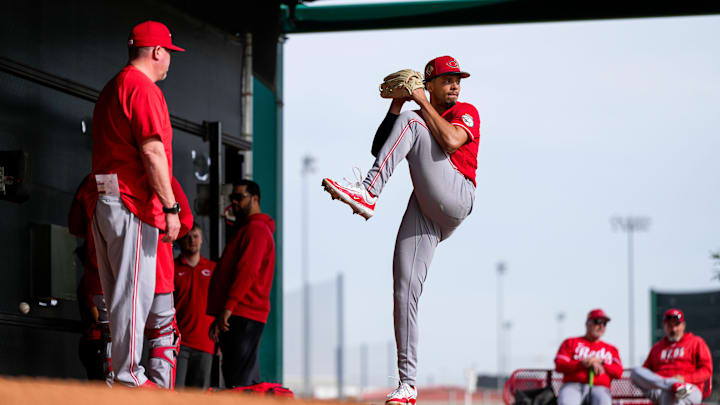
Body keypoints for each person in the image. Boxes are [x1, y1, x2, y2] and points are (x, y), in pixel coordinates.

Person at [322, 56, 480, 404]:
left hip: (456, 195)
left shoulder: (464, 109)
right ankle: (407, 385)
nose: (455, 85)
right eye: (447, 80)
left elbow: (453, 141)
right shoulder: (416, 113)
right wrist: (397, 104)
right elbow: (381, 148)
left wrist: (418, 102)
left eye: (457, 80)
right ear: (431, 82)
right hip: (426, 207)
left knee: (412, 122)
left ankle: (368, 191)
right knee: (404, 289)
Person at [90, 20, 185, 388]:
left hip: (106, 200)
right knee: (131, 296)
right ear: (157, 52)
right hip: (131, 203)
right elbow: (152, 151)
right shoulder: (143, 88)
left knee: (119, 297)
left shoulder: (112, 87)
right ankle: (128, 375)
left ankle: (120, 375)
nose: (169, 62)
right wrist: (172, 208)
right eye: (169, 54)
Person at [207, 180, 276, 388]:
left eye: (239, 197)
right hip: (239, 313)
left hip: (243, 313)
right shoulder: (247, 229)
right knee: (240, 379)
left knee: (239, 382)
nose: (234, 203)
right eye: (232, 198)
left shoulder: (256, 229)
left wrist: (227, 309)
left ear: (254, 199)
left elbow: (247, 272)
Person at [631, 309, 713, 405]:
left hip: (688, 388)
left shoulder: (696, 342)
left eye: (676, 325)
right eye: (670, 325)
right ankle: (670, 384)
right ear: (664, 326)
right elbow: (645, 372)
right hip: (660, 389)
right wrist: (669, 383)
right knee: (636, 372)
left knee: (676, 395)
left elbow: (707, 370)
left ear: (683, 325)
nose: (673, 329)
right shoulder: (657, 347)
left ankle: (672, 385)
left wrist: (684, 379)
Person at [174, 224, 217, 389]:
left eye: (196, 236)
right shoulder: (172, 268)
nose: (192, 240)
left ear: (201, 240)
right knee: (174, 396)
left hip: (205, 343)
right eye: (188, 237)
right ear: (181, 240)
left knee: (199, 397)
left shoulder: (213, 269)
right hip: (178, 344)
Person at [554, 309, 623, 405]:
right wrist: (582, 363)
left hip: (600, 388)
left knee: (604, 402)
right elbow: (559, 365)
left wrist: (601, 362)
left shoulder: (611, 349)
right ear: (587, 323)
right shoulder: (571, 342)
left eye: (604, 324)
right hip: (573, 386)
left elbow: (618, 373)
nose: (601, 326)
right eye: (598, 322)